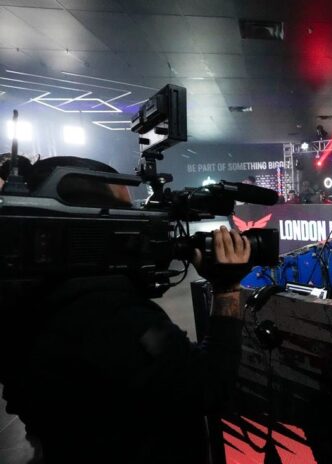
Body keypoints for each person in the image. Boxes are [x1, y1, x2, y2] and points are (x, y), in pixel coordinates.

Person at [0, 156, 251, 464]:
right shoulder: (112, 316)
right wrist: (227, 289)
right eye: (126, 213)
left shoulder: (26, 298)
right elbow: (210, 387)